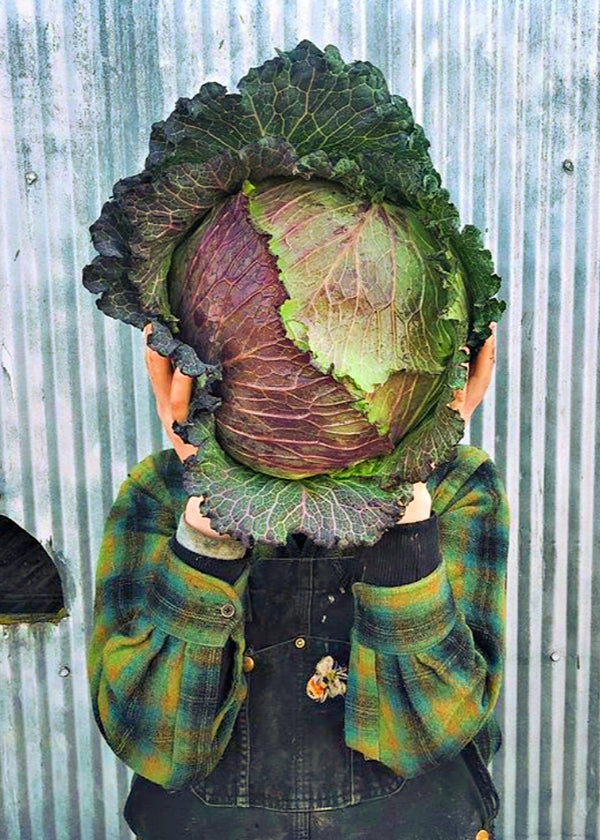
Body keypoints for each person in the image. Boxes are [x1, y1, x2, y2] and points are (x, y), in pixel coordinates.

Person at [87, 325, 508, 840]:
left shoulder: (452, 487)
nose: (308, 368)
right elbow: (156, 742)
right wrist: (209, 514)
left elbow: (423, 736)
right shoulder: (163, 492)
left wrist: (406, 486)